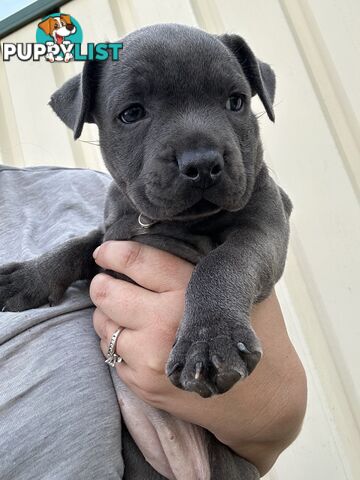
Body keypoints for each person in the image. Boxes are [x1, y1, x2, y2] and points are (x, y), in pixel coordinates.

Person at [0, 166, 306, 479]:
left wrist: (268, 402)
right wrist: (45, 274)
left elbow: (264, 231)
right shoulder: (128, 188)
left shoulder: (81, 188)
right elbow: (106, 249)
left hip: (214, 458)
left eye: (233, 111)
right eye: (134, 113)